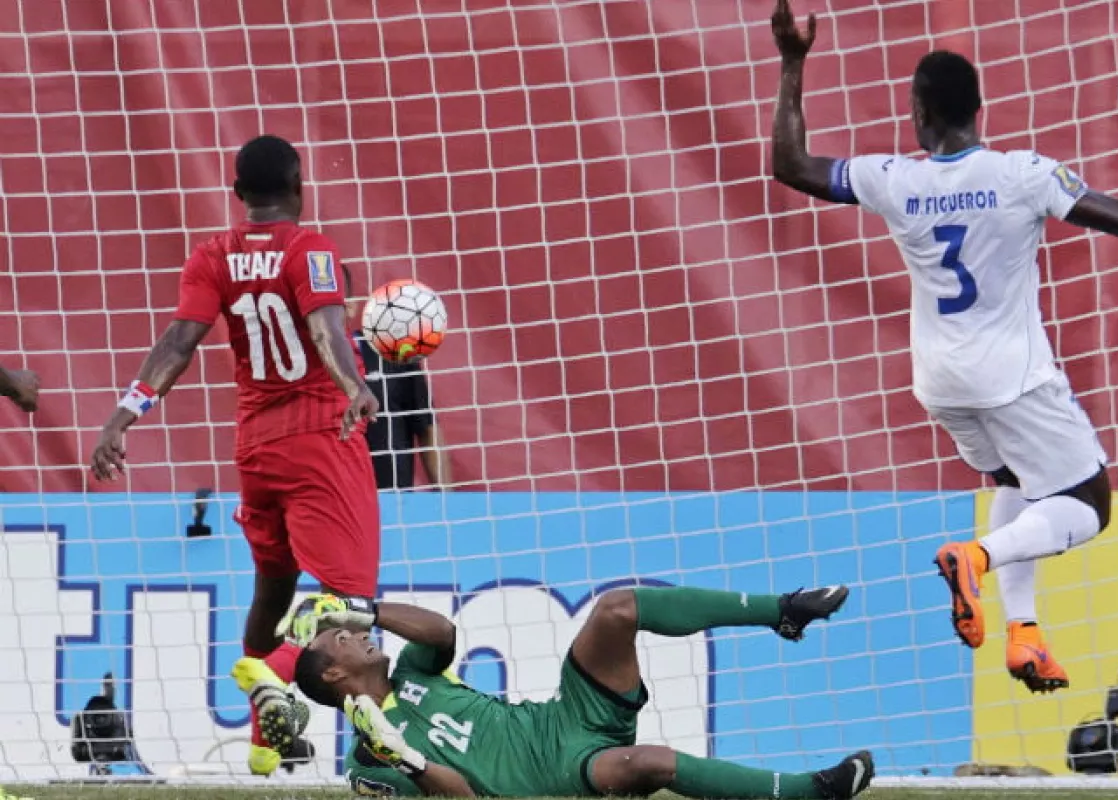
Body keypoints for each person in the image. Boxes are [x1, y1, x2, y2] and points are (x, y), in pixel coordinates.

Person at [768, 0, 1118, 693]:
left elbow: (792, 165)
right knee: (1088, 503)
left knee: (1017, 481)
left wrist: (792, 60)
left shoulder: (894, 178)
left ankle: (1024, 634)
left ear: (920, 117)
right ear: (980, 110)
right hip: (1013, 378)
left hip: (940, 380)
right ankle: (976, 558)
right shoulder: (1023, 175)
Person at [89, 134, 383, 774]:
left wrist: (122, 417)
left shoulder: (212, 256)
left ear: (237, 194)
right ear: (300, 186)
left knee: (272, 588)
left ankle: (262, 736)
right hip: (318, 438)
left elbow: (177, 343)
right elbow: (325, 329)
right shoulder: (312, 250)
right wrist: (355, 386)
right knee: (350, 601)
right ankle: (275, 676)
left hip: (254, 447)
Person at [278, 586, 869, 799]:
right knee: (650, 762)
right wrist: (405, 759)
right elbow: (461, 797)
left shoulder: (415, 670)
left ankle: (782, 611)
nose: (358, 634)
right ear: (332, 673)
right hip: (563, 769)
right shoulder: (365, 760)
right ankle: (809, 792)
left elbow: (444, 631)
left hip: (563, 717)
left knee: (616, 608)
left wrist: (368, 606)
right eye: (343, 637)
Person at [344, 268, 451, 490]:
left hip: (392, 501)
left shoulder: (387, 350)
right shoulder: (295, 363)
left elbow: (426, 426)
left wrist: (446, 503)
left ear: (350, 307)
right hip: (329, 501)